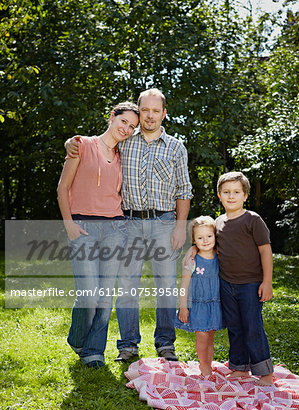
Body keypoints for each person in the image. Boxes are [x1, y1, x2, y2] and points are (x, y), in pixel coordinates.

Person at [65, 88, 193, 363]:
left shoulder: (175, 147)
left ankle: (165, 343)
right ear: (139, 111)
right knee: (127, 288)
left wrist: (181, 227)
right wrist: (70, 143)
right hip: (128, 223)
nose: (149, 116)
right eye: (144, 110)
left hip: (164, 222)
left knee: (166, 286)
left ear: (163, 113)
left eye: (155, 111)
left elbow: (184, 189)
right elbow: (96, 146)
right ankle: (128, 344)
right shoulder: (125, 141)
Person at [57, 102, 139, 368]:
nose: (126, 129)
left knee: (105, 297)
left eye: (132, 127)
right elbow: (63, 187)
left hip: (115, 228)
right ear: (111, 117)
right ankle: (78, 338)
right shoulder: (82, 144)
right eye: (124, 121)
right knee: (89, 294)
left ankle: (94, 351)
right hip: (83, 228)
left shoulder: (123, 156)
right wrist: (69, 224)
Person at [216, 171, 274, 385]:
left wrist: (267, 282)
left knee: (252, 327)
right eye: (226, 192)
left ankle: (265, 372)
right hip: (226, 284)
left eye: (236, 192)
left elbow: (265, 251)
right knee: (235, 327)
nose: (231, 196)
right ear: (219, 196)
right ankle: (240, 367)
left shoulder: (253, 220)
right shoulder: (218, 222)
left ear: (245, 196)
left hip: (250, 285)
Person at [174, 216, 223, 376]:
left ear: (215, 236)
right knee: (202, 336)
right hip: (198, 304)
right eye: (200, 237)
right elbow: (184, 285)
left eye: (209, 236)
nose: (206, 240)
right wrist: (183, 306)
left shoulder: (219, 256)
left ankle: (208, 364)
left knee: (210, 336)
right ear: (194, 240)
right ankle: (203, 365)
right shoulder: (192, 259)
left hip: (214, 303)